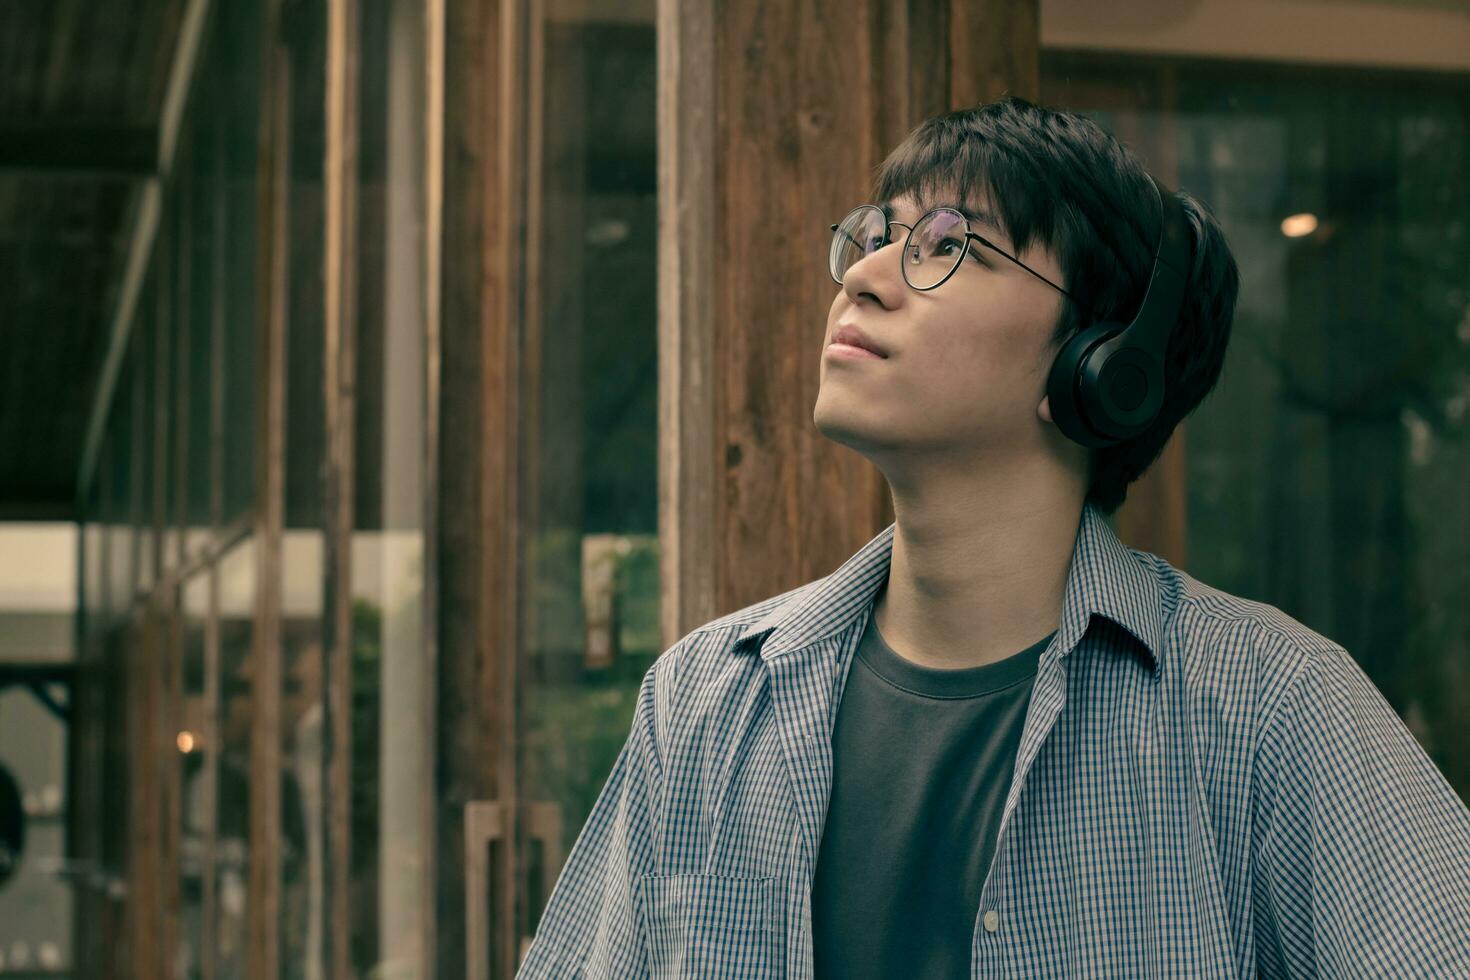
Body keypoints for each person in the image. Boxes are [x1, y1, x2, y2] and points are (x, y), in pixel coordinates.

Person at [516, 96, 1470, 978]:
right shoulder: (705, 703)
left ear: (1104, 365)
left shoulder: (1271, 710)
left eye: (947, 244)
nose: (862, 275)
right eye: (874, 235)